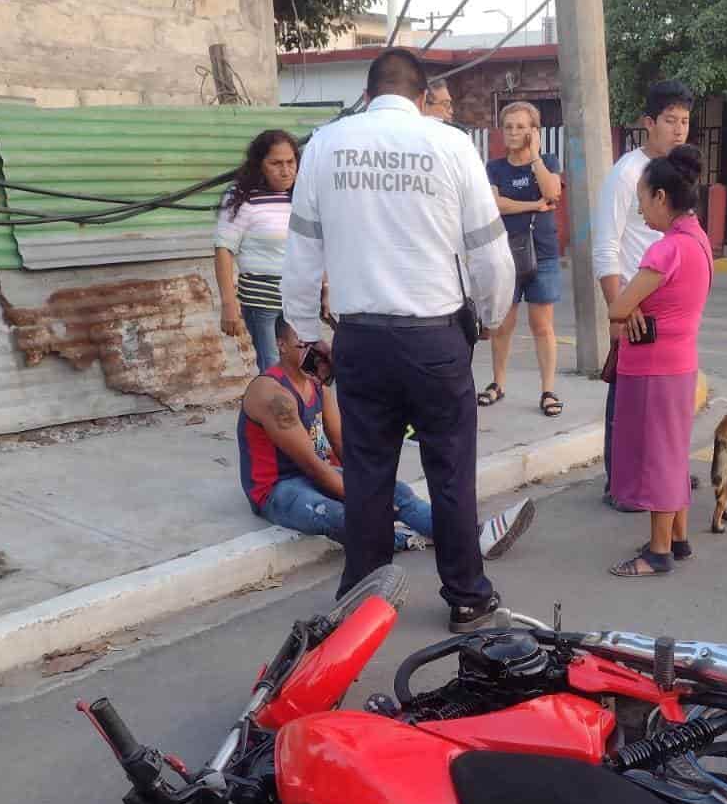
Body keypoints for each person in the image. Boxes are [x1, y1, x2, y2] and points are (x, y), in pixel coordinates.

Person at [280, 47, 519, 633]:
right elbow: (490, 252)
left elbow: (302, 252)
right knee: (450, 468)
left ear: (366, 94)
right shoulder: (451, 144)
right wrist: (488, 317)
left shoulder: (325, 145)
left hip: (361, 340)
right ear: (420, 97)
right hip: (436, 338)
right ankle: (466, 594)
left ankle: (365, 600)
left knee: (367, 472)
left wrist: (307, 335)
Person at [239, 315, 535, 561]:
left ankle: (474, 534)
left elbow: (342, 445)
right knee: (336, 514)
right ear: (280, 345)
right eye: (300, 343)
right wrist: (364, 500)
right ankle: (404, 539)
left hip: (319, 473)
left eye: (313, 340)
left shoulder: (318, 386)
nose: (312, 349)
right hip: (278, 488)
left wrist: (373, 486)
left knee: (398, 491)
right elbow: (314, 467)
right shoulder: (273, 396)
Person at [604, 145, 712, 578]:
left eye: (643, 199)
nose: (641, 210)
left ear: (662, 198)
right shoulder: (698, 240)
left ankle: (658, 551)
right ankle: (679, 538)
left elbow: (617, 306)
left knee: (657, 459)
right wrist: (636, 308)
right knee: (673, 453)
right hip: (680, 363)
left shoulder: (665, 250)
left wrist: (629, 307)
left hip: (653, 368)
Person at [592, 79, 695, 512]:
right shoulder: (628, 173)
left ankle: (662, 475)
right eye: (669, 120)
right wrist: (618, 314)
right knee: (626, 402)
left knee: (662, 401)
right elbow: (605, 246)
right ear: (648, 123)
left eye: (685, 121)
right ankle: (620, 483)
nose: (678, 130)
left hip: (667, 310)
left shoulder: (680, 173)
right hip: (634, 306)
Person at [480, 102, 565, 417]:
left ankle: (547, 390)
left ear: (533, 131)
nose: (514, 132)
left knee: (542, 325)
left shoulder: (548, 162)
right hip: (506, 255)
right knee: (503, 324)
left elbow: (552, 193)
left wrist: (536, 157)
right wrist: (532, 205)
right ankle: (498, 383)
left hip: (542, 255)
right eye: (509, 126)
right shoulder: (495, 168)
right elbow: (494, 205)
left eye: (521, 127)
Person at [214, 130, 299, 373]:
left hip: (298, 297)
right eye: (276, 163)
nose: (285, 170)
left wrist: (325, 287)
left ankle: (300, 411)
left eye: (290, 162)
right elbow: (223, 249)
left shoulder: (300, 195)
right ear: (259, 165)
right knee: (272, 366)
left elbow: (315, 245)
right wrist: (229, 303)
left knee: (301, 364)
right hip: (261, 299)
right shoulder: (242, 197)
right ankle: (272, 411)